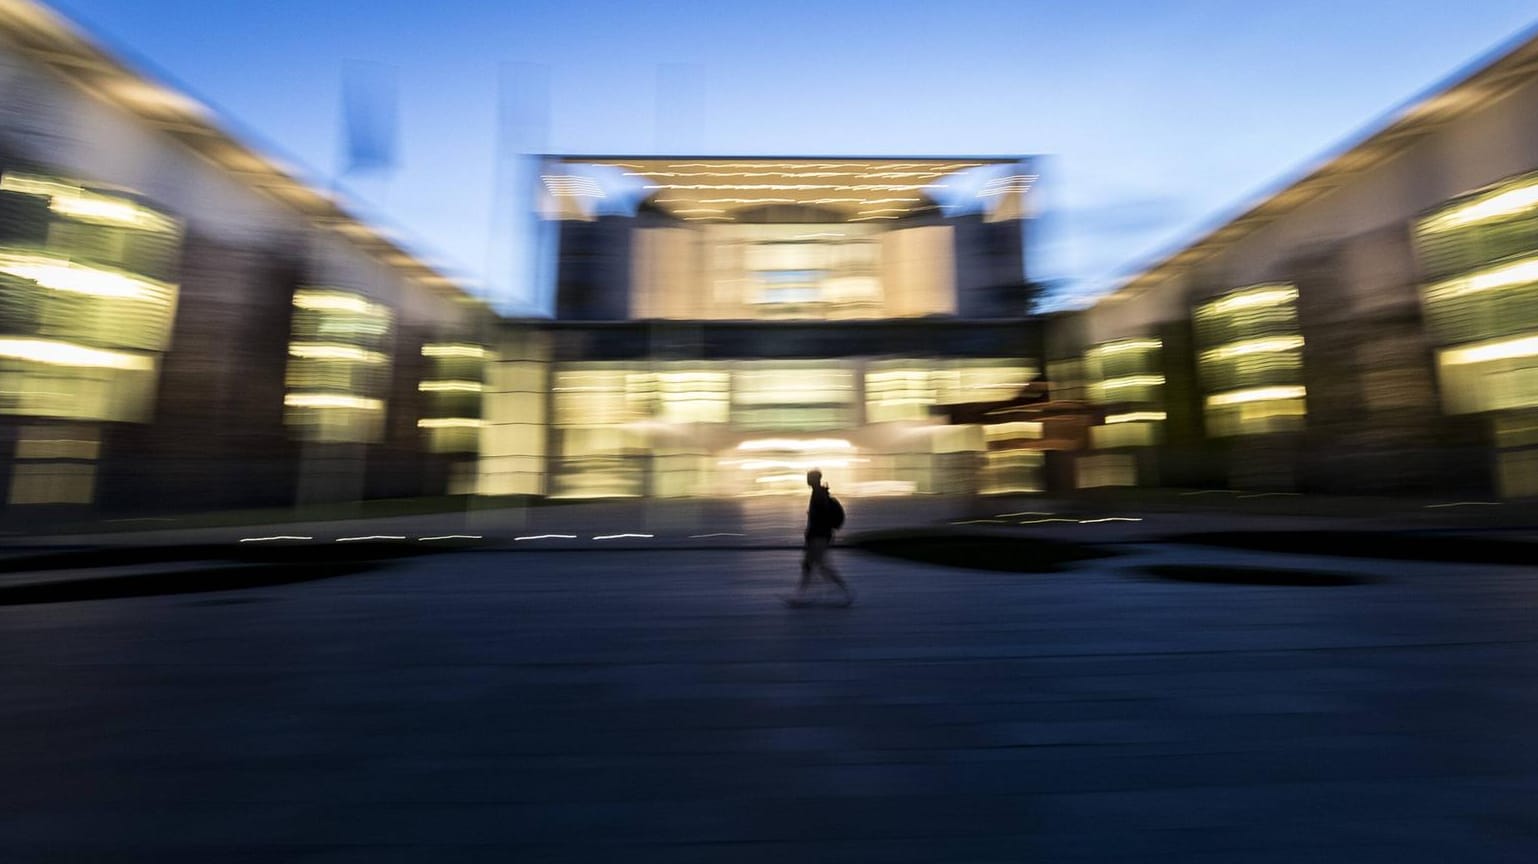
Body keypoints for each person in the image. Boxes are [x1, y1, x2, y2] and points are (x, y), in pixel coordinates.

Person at [788, 468, 854, 606]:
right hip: (817, 535)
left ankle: (844, 593)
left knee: (821, 566)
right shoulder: (818, 493)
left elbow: (819, 518)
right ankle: (800, 597)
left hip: (820, 536)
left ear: (814, 480)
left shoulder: (819, 495)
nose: (807, 480)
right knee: (808, 565)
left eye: (809, 478)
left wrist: (812, 532)